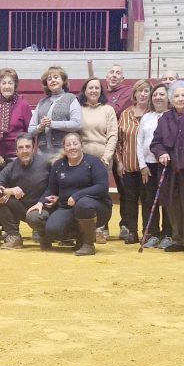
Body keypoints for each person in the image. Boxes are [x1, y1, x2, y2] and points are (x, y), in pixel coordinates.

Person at [27, 132, 110, 256]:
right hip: (66, 207)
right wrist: (41, 202)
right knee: (53, 230)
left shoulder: (93, 162)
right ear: (64, 148)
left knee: (83, 204)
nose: (72, 147)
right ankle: (79, 236)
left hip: (96, 207)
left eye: (75, 144)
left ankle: (88, 244)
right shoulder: (58, 165)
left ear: (81, 146)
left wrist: (77, 196)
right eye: (68, 145)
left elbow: (102, 187)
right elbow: (51, 189)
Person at [151, 80, 184, 254]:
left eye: (183, 95)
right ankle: (178, 238)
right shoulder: (165, 118)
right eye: (176, 96)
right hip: (171, 167)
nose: (180, 99)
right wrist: (161, 153)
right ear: (170, 99)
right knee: (172, 203)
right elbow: (156, 142)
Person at [0, 133, 52, 249]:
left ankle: (45, 234)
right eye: (21, 148)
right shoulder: (11, 167)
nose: (24, 150)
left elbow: (57, 186)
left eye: (27, 147)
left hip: (42, 209)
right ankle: (14, 236)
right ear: (16, 151)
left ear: (34, 149)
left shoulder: (47, 163)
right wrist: (9, 190)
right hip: (22, 209)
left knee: (34, 218)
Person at [78, 77, 118, 243]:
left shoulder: (108, 110)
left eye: (96, 88)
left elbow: (113, 134)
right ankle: (84, 229)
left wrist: (107, 156)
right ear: (85, 91)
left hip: (103, 160)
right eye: (90, 88)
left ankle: (101, 228)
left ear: (101, 91)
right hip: (82, 160)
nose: (93, 91)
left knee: (100, 193)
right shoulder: (78, 109)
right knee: (83, 194)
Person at [115, 79, 151, 245]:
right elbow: (119, 141)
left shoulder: (153, 114)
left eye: (146, 91)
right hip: (128, 165)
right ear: (134, 94)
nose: (143, 94)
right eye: (140, 91)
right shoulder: (125, 114)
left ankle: (147, 232)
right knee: (130, 199)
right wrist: (120, 162)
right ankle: (132, 232)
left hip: (149, 167)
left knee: (147, 199)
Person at [137, 83, 169, 248]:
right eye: (155, 94)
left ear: (167, 97)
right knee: (150, 200)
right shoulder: (146, 116)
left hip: (166, 165)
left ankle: (167, 234)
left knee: (166, 200)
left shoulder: (171, 115)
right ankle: (152, 233)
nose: (157, 97)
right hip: (149, 165)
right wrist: (142, 165)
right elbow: (139, 141)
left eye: (161, 94)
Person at [27, 66, 82, 160]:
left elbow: (77, 124)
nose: (53, 80)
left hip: (64, 152)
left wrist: (52, 124)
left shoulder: (71, 98)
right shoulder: (41, 102)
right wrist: (40, 127)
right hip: (42, 154)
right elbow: (30, 130)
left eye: (56, 77)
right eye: (49, 79)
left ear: (63, 80)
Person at [0, 67, 32, 160]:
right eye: (4, 83)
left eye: (10, 83)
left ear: (15, 85)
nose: (7, 87)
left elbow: (30, 133)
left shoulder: (23, 105)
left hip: (17, 156)